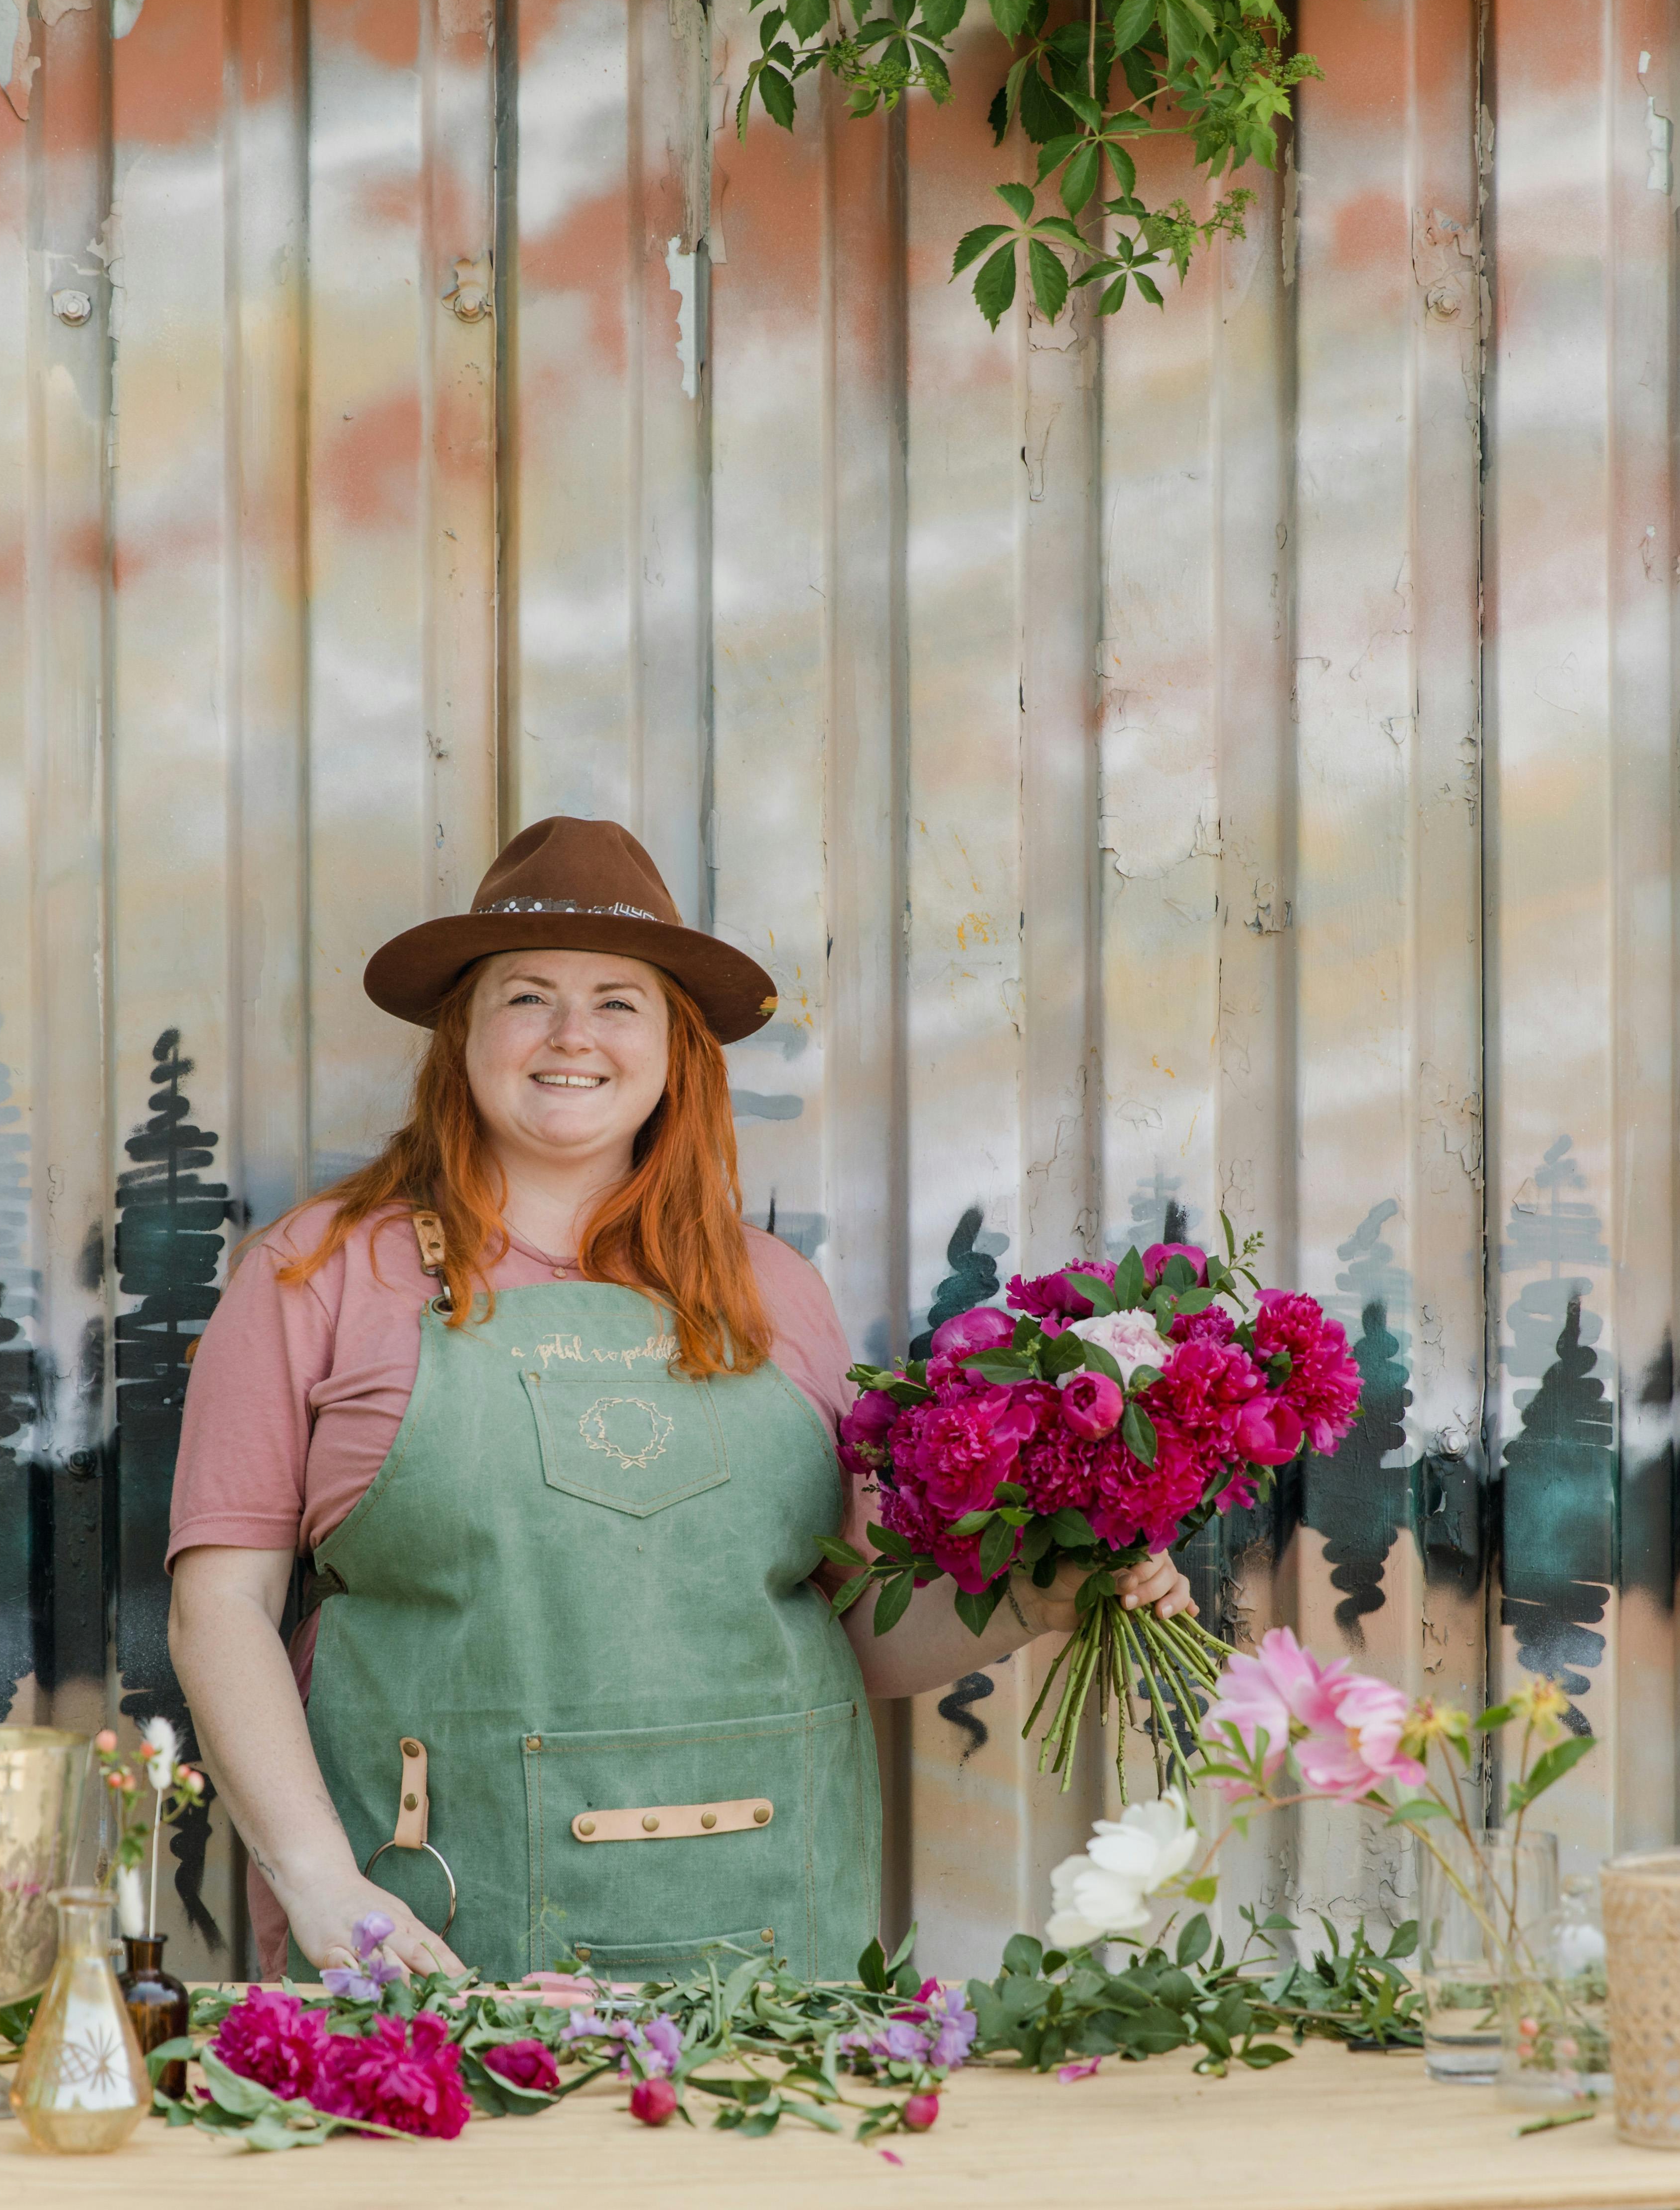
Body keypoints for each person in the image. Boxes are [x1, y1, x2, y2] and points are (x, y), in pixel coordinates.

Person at [165, 816, 1194, 1984]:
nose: (571, 1036)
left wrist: (1043, 1591)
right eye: (526, 996)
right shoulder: (318, 1270)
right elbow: (221, 1611)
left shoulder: (775, 1292)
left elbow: (855, 1620)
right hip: (434, 1924)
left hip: (772, 1924)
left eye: (617, 1001)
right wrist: (318, 1878)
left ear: (673, 1048)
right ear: (463, 1035)